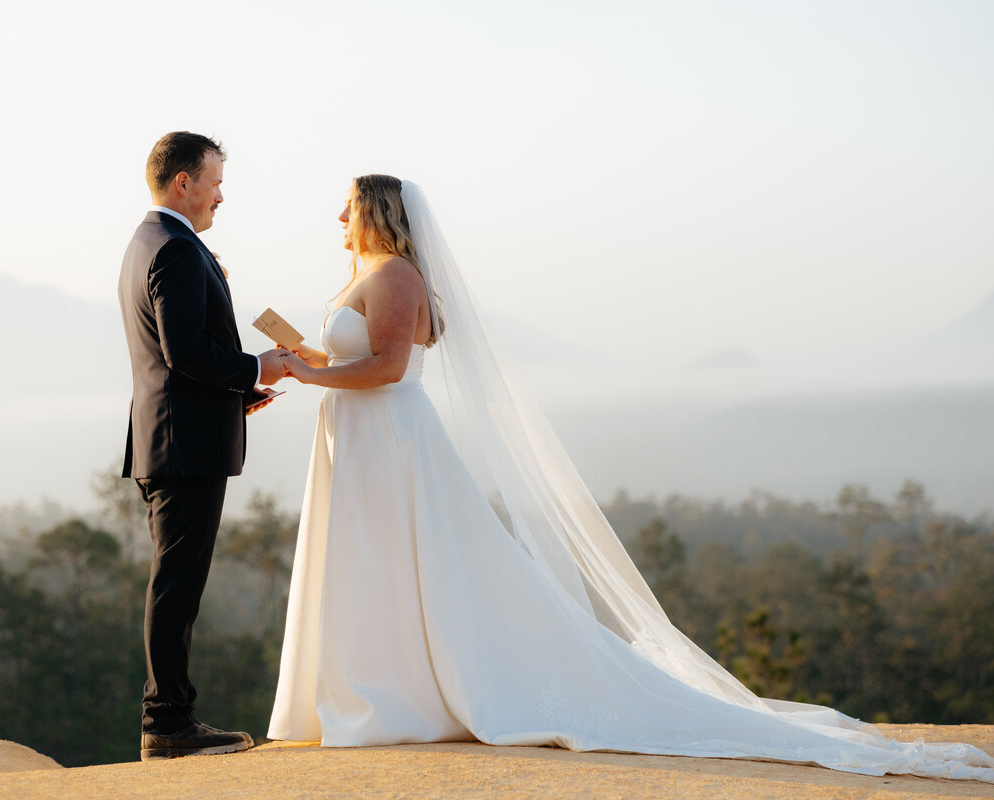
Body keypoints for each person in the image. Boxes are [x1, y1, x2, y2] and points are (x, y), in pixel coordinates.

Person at [265, 174, 994, 782]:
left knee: (395, 563)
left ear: (378, 213)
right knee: (371, 565)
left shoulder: (393, 274)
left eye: (349, 204)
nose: (338, 215)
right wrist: (313, 363)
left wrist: (305, 370)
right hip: (360, 438)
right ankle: (378, 692)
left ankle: (397, 699)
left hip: (390, 440)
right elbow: (364, 362)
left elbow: (390, 367)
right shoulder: (369, 274)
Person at [118, 132, 286, 760]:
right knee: (176, 586)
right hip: (182, 448)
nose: (222, 194)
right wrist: (256, 368)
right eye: (215, 181)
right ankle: (167, 723)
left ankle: (170, 718)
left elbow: (173, 360)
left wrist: (235, 398)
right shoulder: (178, 250)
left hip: (173, 436)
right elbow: (184, 351)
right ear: (182, 182)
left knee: (176, 582)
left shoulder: (148, 242)